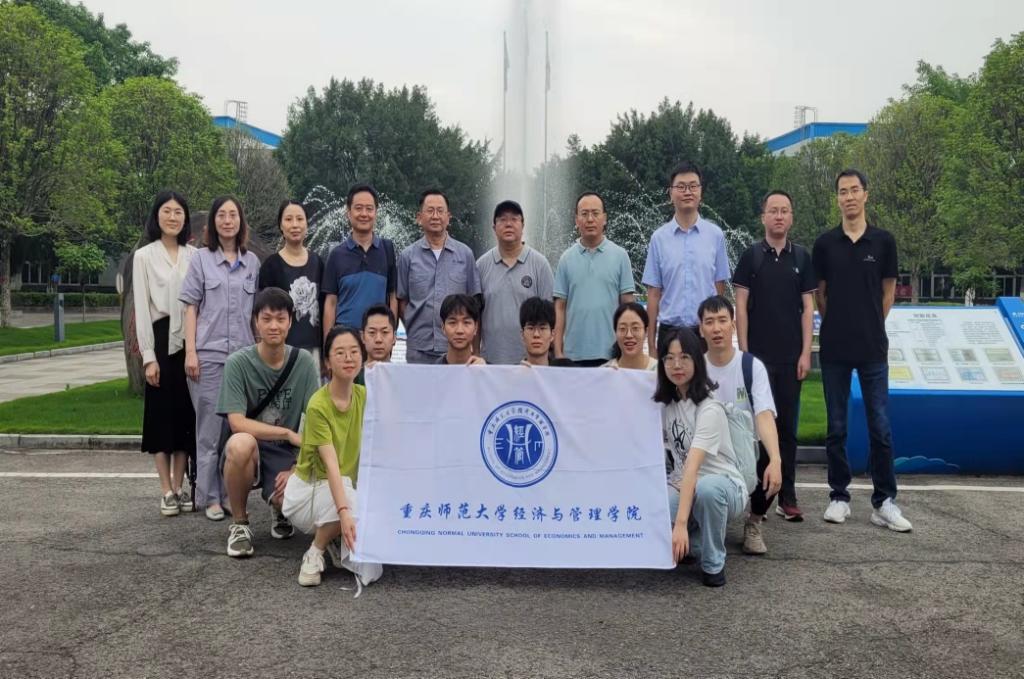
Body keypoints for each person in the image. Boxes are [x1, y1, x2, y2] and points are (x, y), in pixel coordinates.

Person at [813, 169, 911, 532]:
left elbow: (888, 292)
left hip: (873, 348)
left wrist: (870, 322)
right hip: (835, 348)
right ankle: (839, 496)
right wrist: (839, 322)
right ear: (837, 198)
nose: (849, 197)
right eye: (843, 191)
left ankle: (884, 501)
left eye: (855, 190)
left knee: (880, 427)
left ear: (866, 195)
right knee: (836, 426)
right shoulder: (825, 244)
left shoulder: (883, 241)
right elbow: (821, 295)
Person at [732, 190, 816, 521]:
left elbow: (808, 309)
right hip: (758, 360)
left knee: (787, 430)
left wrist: (806, 353)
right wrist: (744, 354)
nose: (779, 216)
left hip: (791, 357)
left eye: (784, 211)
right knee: (757, 429)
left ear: (791, 217)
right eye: (773, 210)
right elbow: (740, 306)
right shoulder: (751, 257)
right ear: (763, 217)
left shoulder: (802, 258)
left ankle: (787, 495)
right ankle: (758, 497)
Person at [217, 288, 320, 558]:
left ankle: (279, 507)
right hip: (253, 445)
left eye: (280, 318)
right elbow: (237, 422)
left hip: (286, 453)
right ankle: (240, 524)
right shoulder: (237, 363)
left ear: (290, 322)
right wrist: (286, 433)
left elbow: (315, 421)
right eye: (266, 318)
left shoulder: (304, 362)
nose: (274, 326)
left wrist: (298, 467)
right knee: (240, 444)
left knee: (300, 510)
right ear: (255, 322)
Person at [282, 326, 383, 587]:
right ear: (327, 362)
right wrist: (345, 511)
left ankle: (336, 535)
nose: (348, 358)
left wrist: (474, 369)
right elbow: (331, 465)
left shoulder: (365, 396)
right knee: (353, 501)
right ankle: (315, 551)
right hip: (308, 492)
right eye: (340, 353)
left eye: (354, 351)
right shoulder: (318, 405)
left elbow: (405, 404)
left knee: (365, 504)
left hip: (341, 488)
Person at [180, 195, 260, 521]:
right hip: (208, 357)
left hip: (242, 360)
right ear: (213, 222)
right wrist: (190, 352)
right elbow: (190, 307)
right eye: (222, 215)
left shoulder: (252, 263)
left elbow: (255, 315)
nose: (228, 221)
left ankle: (230, 494)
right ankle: (209, 497)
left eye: (233, 215)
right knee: (209, 432)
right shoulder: (201, 260)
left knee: (235, 432)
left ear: (241, 221)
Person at [655, 327, 746, 587]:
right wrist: (614, 371)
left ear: (697, 360)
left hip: (723, 485)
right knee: (658, 506)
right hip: (685, 485)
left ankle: (712, 561)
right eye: (669, 358)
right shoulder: (669, 404)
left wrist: (680, 524)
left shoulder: (709, 409)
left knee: (707, 490)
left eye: (684, 357)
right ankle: (694, 542)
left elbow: (693, 469)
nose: (676, 365)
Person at [698, 295, 783, 555]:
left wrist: (776, 460)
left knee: (772, 457)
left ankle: (754, 521)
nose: (716, 328)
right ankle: (697, 521)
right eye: (709, 322)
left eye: (722, 320)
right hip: (707, 450)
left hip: (743, 448)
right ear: (701, 329)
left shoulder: (751, 366)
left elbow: (764, 415)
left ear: (733, 325)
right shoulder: (695, 368)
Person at [132, 190, 198, 516]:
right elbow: (142, 307)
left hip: (189, 339)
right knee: (160, 416)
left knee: (185, 416)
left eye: (178, 212)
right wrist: (148, 356)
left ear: (185, 218)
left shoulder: (194, 255)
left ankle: (180, 485)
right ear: (156, 216)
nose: (173, 217)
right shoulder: (144, 256)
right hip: (159, 338)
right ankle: (165, 490)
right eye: (167, 211)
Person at [643, 161, 730, 356]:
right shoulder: (658, 238)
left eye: (693, 186)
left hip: (704, 331)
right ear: (670, 193)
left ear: (701, 192)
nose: (687, 192)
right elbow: (653, 294)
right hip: (669, 332)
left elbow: (719, 287)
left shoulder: (715, 235)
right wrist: (651, 345)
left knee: (706, 377)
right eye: (681, 187)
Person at [397, 189, 481, 364]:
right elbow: (402, 302)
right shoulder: (407, 256)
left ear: (448, 217)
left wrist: (474, 347)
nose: (435, 216)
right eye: (430, 210)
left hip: (457, 350)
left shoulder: (465, 254)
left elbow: (474, 302)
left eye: (440, 211)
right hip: (418, 349)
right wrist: (415, 327)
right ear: (419, 217)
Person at [553, 191, 635, 366]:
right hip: (573, 355)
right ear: (576, 220)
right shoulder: (566, 259)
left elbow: (629, 306)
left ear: (604, 218)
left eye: (595, 213)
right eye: (584, 214)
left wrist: (629, 352)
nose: (590, 219)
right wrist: (558, 351)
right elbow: (559, 308)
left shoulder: (620, 256)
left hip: (612, 354)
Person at [476, 200, 554, 364]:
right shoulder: (481, 266)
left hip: (530, 363)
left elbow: (550, 316)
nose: (508, 224)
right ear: (494, 227)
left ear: (523, 225)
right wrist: (476, 354)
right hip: (491, 362)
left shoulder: (540, 264)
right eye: (502, 219)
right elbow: (475, 317)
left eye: (514, 219)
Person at [321, 184, 397, 343]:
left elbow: (393, 297)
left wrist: (391, 335)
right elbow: (331, 303)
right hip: (345, 339)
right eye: (358, 208)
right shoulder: (337, 255)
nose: (364, 214)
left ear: (376, 213)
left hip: (377, 340)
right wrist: (329, 345)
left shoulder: (387, 249)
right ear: (348, 213)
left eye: (369, 209)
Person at [257, 200, 323, 360]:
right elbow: (262, 312)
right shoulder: (271, 266)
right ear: (280, 225)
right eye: (288, 219)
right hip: (281, 351)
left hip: (314, 350)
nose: (295, 225)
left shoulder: (318, 263)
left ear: (307, 224)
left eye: (300, 219)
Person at [518, 297, 574, 367]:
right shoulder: (512, 372)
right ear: (522, 335)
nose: (536, 334)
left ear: (552, 335)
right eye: (531, 328)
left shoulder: (565, 370)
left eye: (542, 328)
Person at [604, 301, 658, 370]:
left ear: (646, 332)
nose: (629, 335)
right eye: (622, 328)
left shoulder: (660, 371)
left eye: (635, 328)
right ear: (615, 332)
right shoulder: (605, 371)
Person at [435, 294, 486, 365]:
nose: (459, 330)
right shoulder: (432, 370)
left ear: (476, 328)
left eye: (466, 322)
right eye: (452, 322)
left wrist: (485, 370)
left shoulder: (489, 369)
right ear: (443, 327)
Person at [354, 303, 397, 385]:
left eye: (385, 332)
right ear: (362, 337)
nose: (378, 339)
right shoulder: (352, 376)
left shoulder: (402, 376)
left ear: (394, 337)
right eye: (372, 332)